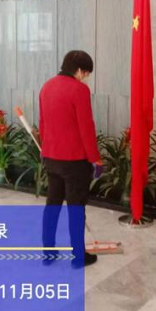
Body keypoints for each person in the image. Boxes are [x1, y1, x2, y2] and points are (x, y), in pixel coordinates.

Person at [39, 50, 102, 268]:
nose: (86, 77)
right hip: (75, 161)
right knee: (76, 208)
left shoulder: (47, 86)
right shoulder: (79, 90)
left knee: (52, 205)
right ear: (79, 70)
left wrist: (46, 149)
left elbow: (43, 123)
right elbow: (86, 127)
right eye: (86, 72)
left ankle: (48, 252)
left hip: (51, 157)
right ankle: (78, 256)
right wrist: (95, 158)